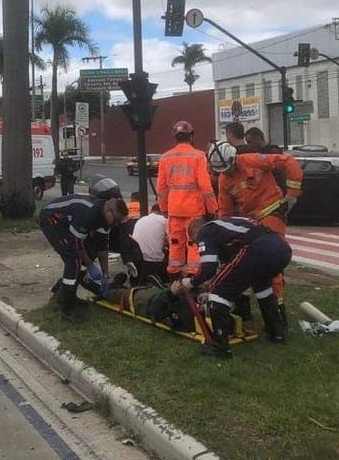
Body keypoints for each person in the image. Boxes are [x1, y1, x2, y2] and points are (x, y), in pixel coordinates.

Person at [170, 216, 293, 358]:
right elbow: (231, 271)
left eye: (197, 243)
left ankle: (220, 348)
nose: (198, 246)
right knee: (262, 287)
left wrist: (191, 282)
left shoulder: (205, 231)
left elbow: (209, 268)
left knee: (219, 292)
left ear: (195, 232)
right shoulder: (226, 227)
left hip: (257, 250)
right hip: (282, 249)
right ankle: (276, 334)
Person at [208, 140, 302, 312]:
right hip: (251, 221)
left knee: (270, 260)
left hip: (271, 213)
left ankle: (277, 310)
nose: (227, 172)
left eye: (228, 168)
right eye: (222, 170)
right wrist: (225, 235)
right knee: (240, 261)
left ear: (233, 158)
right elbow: (225, 210)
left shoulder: (254, 160)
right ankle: (242, 307)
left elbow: (289, 162)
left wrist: (293, 193)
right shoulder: (224, 179)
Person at [40, 192, 130, 323]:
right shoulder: (88, 214)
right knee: (73, 261)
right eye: (116, 220)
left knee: (90, 251)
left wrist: (106, 274)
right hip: (53, 219)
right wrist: (90, 265)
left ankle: (68, 294)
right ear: (109, 210)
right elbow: (76, 244)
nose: (116, 224)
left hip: (69, 222)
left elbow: (102, 246)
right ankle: (67, 309)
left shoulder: (105, 219)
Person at [155, 120, 219, 280]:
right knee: (194, 244)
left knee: (175, 243)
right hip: (194, 210)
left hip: (174, 210)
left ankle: (174, 277)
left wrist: (163, 208)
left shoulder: (165, 157)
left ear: (175, 138)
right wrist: (212, 209)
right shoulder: (199, 156)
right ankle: (193, 278)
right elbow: (206, 186)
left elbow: (161, 188)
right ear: (191, 136)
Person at [127, 205, 169, 284]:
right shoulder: (164, 220)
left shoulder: (141, 220)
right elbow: (173, 240)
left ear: (151, 211)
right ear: (162, 212)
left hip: (136, 259)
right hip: (154, 262)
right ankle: (165, 281)